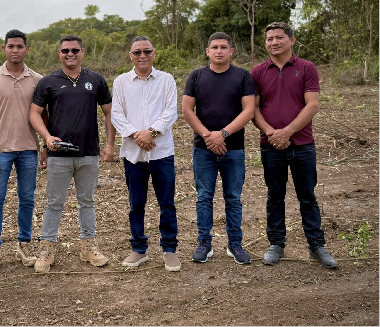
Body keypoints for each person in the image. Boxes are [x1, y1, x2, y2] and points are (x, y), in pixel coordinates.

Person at [251, 22, 338, 268]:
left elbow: (312, 105)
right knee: (275, 196)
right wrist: (272, 133)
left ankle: (316, 246)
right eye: (270, 39)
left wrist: (287, 131)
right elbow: (252, 108)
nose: (274, 42)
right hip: (270, 145)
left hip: (303, 144)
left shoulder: (307, 68)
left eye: (279, 37)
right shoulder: (257, 72)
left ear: (292, 40)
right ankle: (276, 244)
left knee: (307, 196)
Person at [29, 34, 116, 273]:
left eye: (75, 50)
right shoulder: (48, 82)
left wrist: (110, 145)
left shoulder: (95, 80)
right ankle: (47, 248)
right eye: (65, 50)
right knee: (54, 202)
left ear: (82, 52)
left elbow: (109, 112)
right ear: (59, 53)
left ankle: (88, 246)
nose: (70, 54)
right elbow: (34, 114)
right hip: (59, 154)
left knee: (87, 201)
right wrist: (47, 138)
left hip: (89, 152)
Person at [182, 32, 255, 265]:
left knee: (233, 198)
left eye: (224, 47)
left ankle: (235, 244)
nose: (219, 51)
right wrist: (208, 136)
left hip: (233, 149)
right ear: (207, 51)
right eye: (214, 47)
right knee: (204, 197)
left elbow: (249, 110)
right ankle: (204, 243)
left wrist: (222, 134)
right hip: (203, 149)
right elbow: (187, 110)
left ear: (231, 51)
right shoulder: (196, 76)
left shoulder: (242, 76)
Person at [0, 29, 47, 273]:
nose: (15, 50)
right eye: (11, 46)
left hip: (28, 148)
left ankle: (24, 243)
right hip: (0, 149)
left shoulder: (38, 79)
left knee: (27, 198)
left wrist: (45, 147)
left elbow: (43, 116)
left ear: (26, 49)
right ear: (4, 49)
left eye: (19, 46)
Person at [111, 36, 181, 272]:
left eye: (147, 51)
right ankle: (139, 248)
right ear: (130, 56)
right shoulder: (121, 82)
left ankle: (169, 249)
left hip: (162, 153)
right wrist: (137, 135)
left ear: (154, 53)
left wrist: (150, 133)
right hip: (133, 154)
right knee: (136, 203)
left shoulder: (166, 79)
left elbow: (171, 112)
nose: (142, 56)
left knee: (167, 203)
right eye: (137, 52)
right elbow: (116, 114)